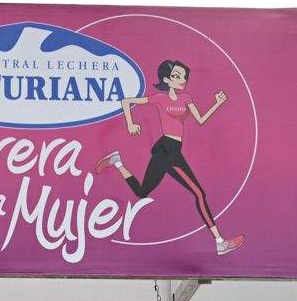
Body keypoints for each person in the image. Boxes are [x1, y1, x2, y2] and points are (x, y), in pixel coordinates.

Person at [94, 60, 243, 256]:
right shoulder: (159, 99)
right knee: (199, 193)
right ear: (167, 79)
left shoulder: (186, 98)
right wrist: (131, 123)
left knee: (142, 192)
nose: (182, 80)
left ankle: (117, 161)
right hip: (167, 149)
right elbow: (126, 101)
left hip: (173, 150)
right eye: (176, 76)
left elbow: (200, 120)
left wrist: (217, 103)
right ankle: (219, 242)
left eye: (183, 77)